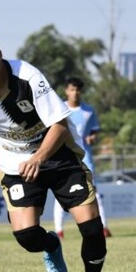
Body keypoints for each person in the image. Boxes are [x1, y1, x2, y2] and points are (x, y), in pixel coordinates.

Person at [0, 25, 108, 272]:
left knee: (92, 229)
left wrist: (39, 158)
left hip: (59, 155)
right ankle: (52, 245)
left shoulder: (28, 77)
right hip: (14, 164)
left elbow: (60, 125)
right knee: (26, 236)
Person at [53, 77, 112, 239]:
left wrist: (92, 138)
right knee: (61, 194)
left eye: (78, 89)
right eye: (72, 89)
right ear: (66, 91)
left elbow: (94, 131)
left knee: (95, 193)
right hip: (64, 157)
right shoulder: (60, 108)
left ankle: (103, 227)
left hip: (85, 158)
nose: (75, 93)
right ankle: (59, 231)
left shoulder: (89, 111)